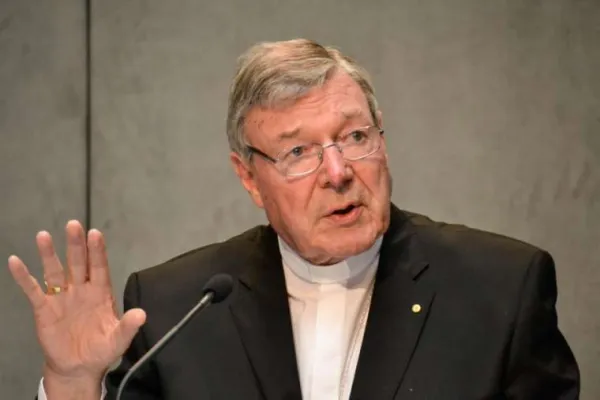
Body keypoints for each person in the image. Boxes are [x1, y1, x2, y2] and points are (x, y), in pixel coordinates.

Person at [9, 39, 579, 400]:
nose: (337, 171)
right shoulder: (175, 308)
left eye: (355, 137)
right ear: (249, 177)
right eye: (298, 152)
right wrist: (72, 384)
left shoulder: (499, 288)